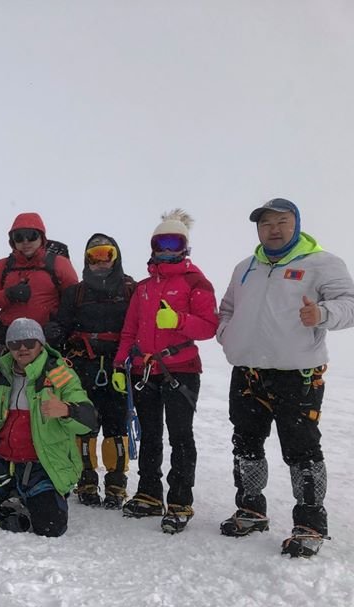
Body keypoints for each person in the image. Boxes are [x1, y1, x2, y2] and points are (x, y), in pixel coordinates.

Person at [216, 198, 354, 557]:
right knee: (246, 443)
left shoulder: (322, 263)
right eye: (266, 223)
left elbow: (350, 303)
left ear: (296, 223)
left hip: (297, 374)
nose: (273, 229)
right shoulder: (245, 267)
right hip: (248, 371)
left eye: (281, 221)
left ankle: (310, 523)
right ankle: (251, 510)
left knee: (301, 449)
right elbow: (227, 308)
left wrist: (322, 313)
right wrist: (227, 334)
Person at [112, 209, 219, 534]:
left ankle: (180, 501)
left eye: (174, 242)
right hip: (144, 370)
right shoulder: (143, 288)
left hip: (181, 371)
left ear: (185, 246)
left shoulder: (196, 282)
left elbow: (209, 326)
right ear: (153, 246)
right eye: (161, 243)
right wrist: (120, 365)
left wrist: (179, 321)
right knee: (150, 434)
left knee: (180, 435)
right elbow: (129, 331)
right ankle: (149, 494)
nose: (166, 249)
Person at [0, 318, 97, 536]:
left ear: (41, 344)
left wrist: (66, 410)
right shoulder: (2, 373)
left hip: (43, 464)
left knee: (50, 527)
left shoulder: (58, 374)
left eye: (29, 342)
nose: (22, 348)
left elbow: (88, 421)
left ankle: (33, 493)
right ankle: (15, 490)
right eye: (15, 343)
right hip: (5, 460)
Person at [45, 233, 136, 509]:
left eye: (106, 255)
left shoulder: (129, 290)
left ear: (115, 257)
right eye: (93, 257)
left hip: (118, 366)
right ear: (86, 261)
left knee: (116, 424)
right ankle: (85, 478)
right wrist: (55, 332)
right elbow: (63, 325)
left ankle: (116, 481)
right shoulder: (76, 293)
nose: (100, 262)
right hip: (83, 366)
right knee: (84, 422)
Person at [0, 213, 78, 355]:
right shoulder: (2, 266)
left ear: (42, 238)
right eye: (18, 237)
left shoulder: (59, 263)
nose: (25, 242)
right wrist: (8, 295)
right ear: (12, 241)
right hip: (10, 342)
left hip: (47, 342)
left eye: (31, 235)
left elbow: (75, 301)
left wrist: (60, 327)